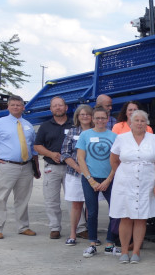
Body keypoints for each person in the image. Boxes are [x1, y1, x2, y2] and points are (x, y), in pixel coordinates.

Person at [109, 110, 155, 264]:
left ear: (147, 123)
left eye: (142, 121)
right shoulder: (121, 138)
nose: (139, 123)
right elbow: (113, 160)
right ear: (131, 122)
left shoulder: (154, 139)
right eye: (137, 120)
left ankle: (136, 251)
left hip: (147, 183)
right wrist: (122, 174)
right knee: (125, 216)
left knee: (141, 217)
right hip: (124, 183)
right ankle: (124, 251)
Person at [0, 95, 40, 239]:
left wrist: (36, 168)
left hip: (26, 167)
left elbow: (33, 149)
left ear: (23, 107)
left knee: (23, 199)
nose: (15, 107)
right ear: (8, 107)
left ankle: (23, 226)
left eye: (18, 105)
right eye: (12, 105)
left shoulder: (28, 125)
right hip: (6, 166)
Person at [76, 106, 118, 257]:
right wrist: (91, 180)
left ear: (108, 119)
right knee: (92, 212)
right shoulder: (85, 135)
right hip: (90, 179)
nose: (100, 120)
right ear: (93, 119)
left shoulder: (114, 136)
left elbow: (117, 161)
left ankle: (110, 243)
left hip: (109, 179)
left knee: (115, 211)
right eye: (97, 118)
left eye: (103, 118)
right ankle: (92, 244)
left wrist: (108, 180)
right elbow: (81, 158)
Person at [34, 96, 74, 239]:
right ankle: (55, 227)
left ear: (66, 107)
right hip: (52, 167)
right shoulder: (45, 126)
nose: (58, 108)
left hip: (72, 168)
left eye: (60, 105)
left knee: (74, 199)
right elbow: (37, 146)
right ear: (51, 109)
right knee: (51, 200)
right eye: (55, 106)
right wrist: (51, 154)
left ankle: (80, 228)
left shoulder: (74, 124)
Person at [60, 104, 94, 246]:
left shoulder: (96, 132)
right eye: (82, 114)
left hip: (93, 175)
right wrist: (79, 168)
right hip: (75, 174)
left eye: (87, 114)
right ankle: (73, 234)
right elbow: (65, 153)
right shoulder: (72, 131)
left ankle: (91, 234)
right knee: (76, 205)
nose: (85, 117)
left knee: (91, 206)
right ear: (77, 117)